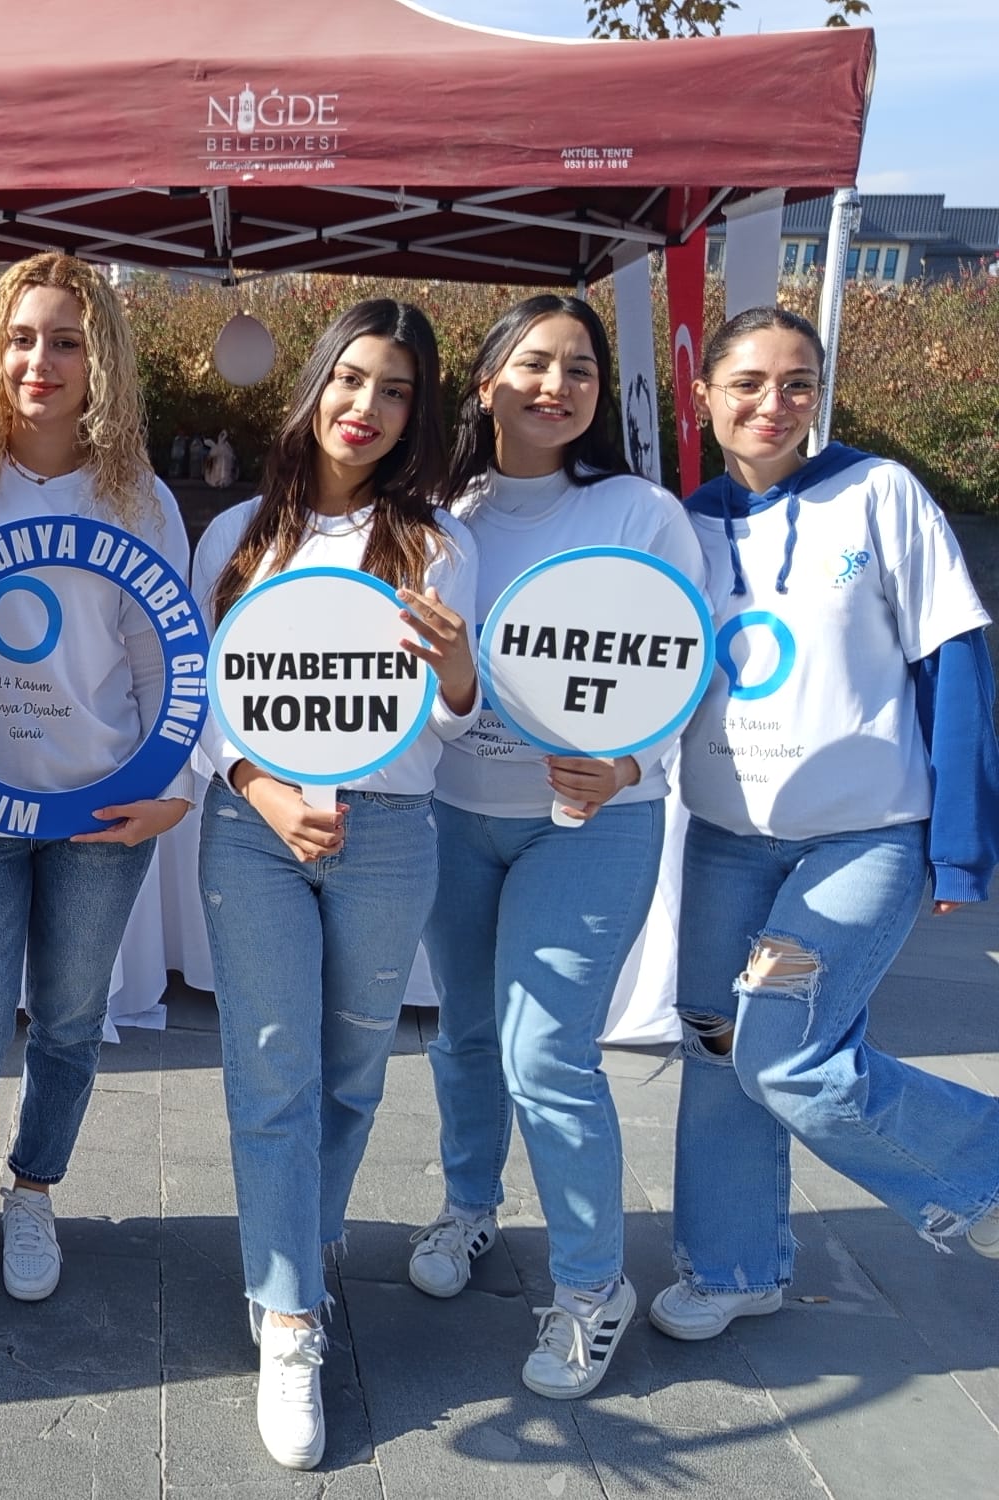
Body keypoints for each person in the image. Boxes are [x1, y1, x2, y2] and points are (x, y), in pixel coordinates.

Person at [651, 305, 999, 1340]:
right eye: (747, 383)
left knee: (783, 1056)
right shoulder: (680, 523)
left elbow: (954, 665)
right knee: (717, 1052)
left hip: (858, 841)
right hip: (723, 841)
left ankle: (976, 1168)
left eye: (795, 383)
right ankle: (731, 1266)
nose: (772, 404)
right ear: (701, 393)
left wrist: (960, 846)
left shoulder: (878, 494)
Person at [191, 299, 477, 1468]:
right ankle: (292, 1323)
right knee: (270, 1072)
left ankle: (289, 1259)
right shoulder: (237, 540)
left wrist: (458, 666)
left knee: (350, 1075)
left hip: (390, 831)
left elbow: (456, 724)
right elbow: (200, 700)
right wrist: (258, 786)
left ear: (416, 414)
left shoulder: (440, 545)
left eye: (395, 390)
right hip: (253, 829)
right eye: (350, 380)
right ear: (312, 388)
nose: (365, 408)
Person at [414, 294, 703, 1399]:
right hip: (454, 807)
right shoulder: (442, 510)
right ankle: (468, 1208)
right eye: (532, 364)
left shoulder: (638, 512)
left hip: (590, 823)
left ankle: (589, 1287)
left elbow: (687, 660)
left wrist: (629, 764)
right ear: (484, 379)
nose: (556, 385)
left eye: (578, 368)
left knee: (548, 1055)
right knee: (466, 1036)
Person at [0, 253, 193, 1304]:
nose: (40, 360)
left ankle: (31, 1191)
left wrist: (177, 782)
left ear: (99, 357)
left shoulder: (139, 496)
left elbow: (166, 659)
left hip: (99, 805)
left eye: (65, 340)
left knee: (68, 1022)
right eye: (21, 338)